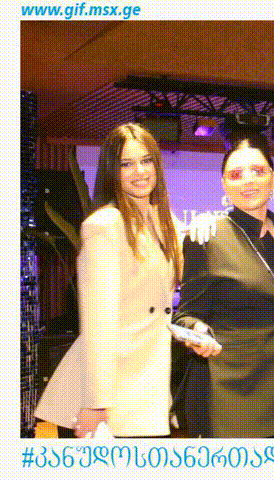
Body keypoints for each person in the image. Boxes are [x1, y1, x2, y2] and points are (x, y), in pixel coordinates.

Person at [34, 123, 184, 438]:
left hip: (147, 382)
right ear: (111, 171)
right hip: (109, 392)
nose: (139, 171)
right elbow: (97, 321)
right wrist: (96, 403)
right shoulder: (105, 225)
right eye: (126, 164)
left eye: (146, 160)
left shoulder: (165, 223)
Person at [173, 133, 274, 438]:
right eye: (236, 175)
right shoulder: (208, 237)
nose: (248, 181)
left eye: (258, 171)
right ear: (224, 185)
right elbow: (184, 315)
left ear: (273, 178)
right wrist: (197, 330)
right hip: (233, 391)